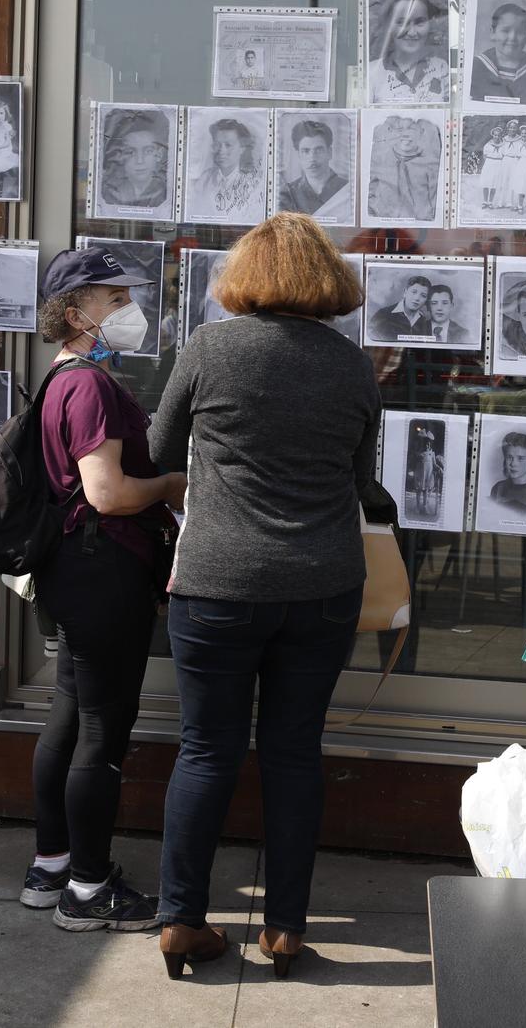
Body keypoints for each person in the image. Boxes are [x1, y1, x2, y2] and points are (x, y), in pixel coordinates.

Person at [147, 213, 378, 978]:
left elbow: (155, 450)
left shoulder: (211, 347)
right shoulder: (351, 364)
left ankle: (181, 919)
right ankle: (283, 928)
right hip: (322, 582)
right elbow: (358, 477)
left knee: (206, 748)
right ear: (326, 280)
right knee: (292, 751)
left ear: (245, 275)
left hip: (216, 582)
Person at [18, 247, 185, 932]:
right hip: (103, 571)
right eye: (113, 299)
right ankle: (89, 888)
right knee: (101, 731)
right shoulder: (87, 385)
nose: (127, 310)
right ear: (75, 312)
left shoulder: (61, 378)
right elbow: (108, 492)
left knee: (68, 716)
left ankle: (51, 864)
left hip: (75, 572)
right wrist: (174, 485)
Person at [369, 0, 449, 104]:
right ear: (389, 26)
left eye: (419, 22)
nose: (411, 32)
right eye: (402, 23)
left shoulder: (441, 68)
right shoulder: (372, 72)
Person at [364, 112, 442, 221]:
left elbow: (434, 198)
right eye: (399, 130)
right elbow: (372, 188)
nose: (405, 134)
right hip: (384, 222)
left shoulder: (428, 163)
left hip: (421, 225)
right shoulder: (382, 161)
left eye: (411, 129)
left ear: (421, 133)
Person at [189, 117, 264, 220]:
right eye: (217, 144)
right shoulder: (204, 179)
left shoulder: (253, 182)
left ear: (242, 148)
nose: (221, 151)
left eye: (228, 145)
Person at [470, 1, 526, 105]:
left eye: (520, 32)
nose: (512, 38)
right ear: (492, 33)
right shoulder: (475, 67)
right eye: (505, 31)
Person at [277, 118, 348, 219]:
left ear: (329, 152)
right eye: (306, 151)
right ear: (299, 156)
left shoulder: (346, 189)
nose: (312, 158)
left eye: (318, 150)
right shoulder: (288, 193)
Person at [101, 110, 170, 211]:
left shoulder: (167, 194)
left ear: (159, 155)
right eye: (131, 152)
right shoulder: (109, 193)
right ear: (121, 156)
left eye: (148, 151)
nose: (140, 160)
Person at [366, 274, 430, 342]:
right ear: (405, 292)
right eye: (414, 292)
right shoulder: (383, 314)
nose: (417, 298)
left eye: (423, 295)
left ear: (426, 300)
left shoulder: (424, 321)